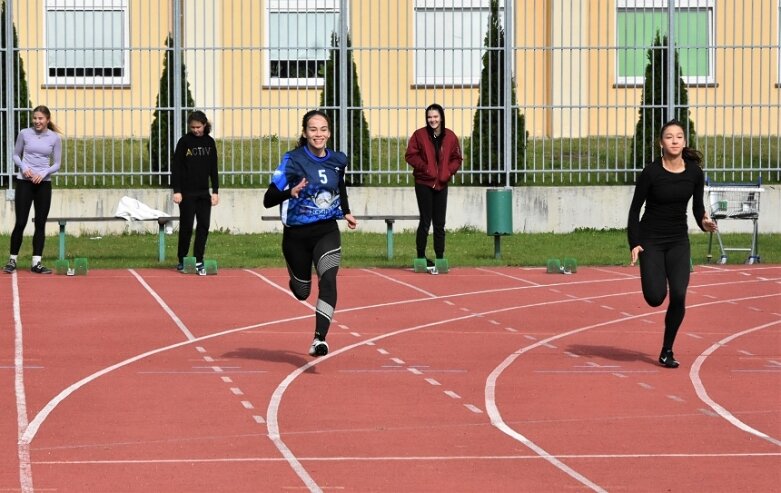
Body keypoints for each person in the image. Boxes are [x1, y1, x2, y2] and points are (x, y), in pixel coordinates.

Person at [263, 109, 357, 357]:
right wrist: (289, 192)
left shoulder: (338, 160)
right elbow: (268, 199)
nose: (319, 134)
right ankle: (296, 280)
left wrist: (346, 211)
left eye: (323, 129)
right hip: (296, 236)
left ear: (329, 132)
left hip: (327, 231)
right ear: (305, 133)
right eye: (313, 129)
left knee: (328, 279)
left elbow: (340, 185)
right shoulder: (292, 160)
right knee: (302, 292)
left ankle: (319, 339)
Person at [627, 119, 717, 368]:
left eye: (679, 136)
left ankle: (667, 350)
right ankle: (653, 275)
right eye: (669, 137)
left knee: (678, 295)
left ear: (684, 141)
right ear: (661, 143)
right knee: (656, 297)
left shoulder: (694, 173)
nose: (675, 140)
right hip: (651, 241)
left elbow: (697, 207)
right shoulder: (651, 172)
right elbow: (635, 211)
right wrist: (634, 242)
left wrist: (704, 222)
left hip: (678, 240)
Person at [3, 105, 63, 275]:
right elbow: (16, 155)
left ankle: (36, 262)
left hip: (43, 185)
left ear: (47, 120)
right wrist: (24, 167)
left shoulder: (54, 138)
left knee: (40, 223)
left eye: (40, 118)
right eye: (35, 118)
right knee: (21, 222)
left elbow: (57, 164)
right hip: (24, 183)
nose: (37, 121)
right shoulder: (24, 133)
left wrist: (44, 172)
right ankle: (12, 260)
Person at [405, 103, 463, 268]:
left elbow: (456, 159)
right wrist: (426, 167)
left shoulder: (450, 136)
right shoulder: (419, 135)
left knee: (440, 223)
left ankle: (439, 256)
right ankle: (421, 256)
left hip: (442, 184)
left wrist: (447, 172)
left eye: (435, 116)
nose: (433, 120)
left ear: (441, 117)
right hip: (424, 183)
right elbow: (410, 155)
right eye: (430, 117)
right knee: (425, 221)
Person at [171, 111, 220, 276]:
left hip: (203, 193)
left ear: (204, 125)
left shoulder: (209, 142)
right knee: (186, 227)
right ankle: (182, 258)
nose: (196, 130)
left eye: (198, 127)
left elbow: (214, 168)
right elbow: (176, 168)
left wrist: (215, 191)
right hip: (187, 193)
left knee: (204, 226)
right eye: (192, 127)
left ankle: (199, 259)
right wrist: (177, 190)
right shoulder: (184, 142)